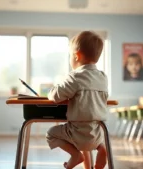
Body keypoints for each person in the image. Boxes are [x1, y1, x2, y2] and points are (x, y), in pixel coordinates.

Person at [46, 31, 108, 169]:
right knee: (92, 132)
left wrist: (52, 90)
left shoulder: (75, 77)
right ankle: (102, 147)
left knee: (51, 133)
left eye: (70, 55)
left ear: (77, 55)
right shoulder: (103, 77)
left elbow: (55, 96)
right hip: (98, 133)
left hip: (77, 132)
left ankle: (75, 155)